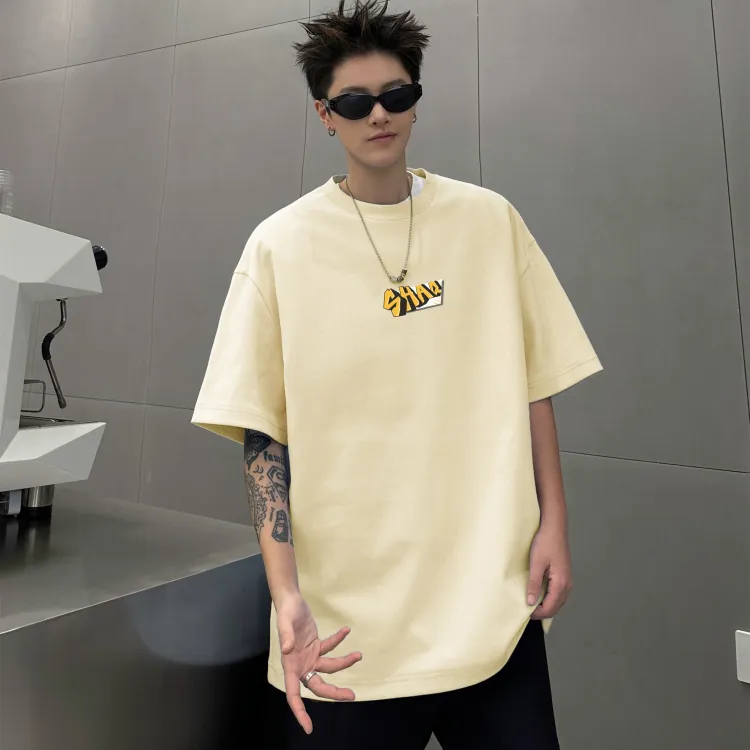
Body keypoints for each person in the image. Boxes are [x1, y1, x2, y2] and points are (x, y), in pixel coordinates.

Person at [192, 1, 602, 747]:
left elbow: (534, 382)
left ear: (416, 99)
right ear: (325, 115)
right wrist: (285, 593)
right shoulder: (279, 247)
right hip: (347, 634)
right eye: (354, 102)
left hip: (491, 609)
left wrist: (555, 525)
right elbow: (262, 434)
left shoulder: (490, 222)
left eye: (396, 94)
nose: (378, 114)